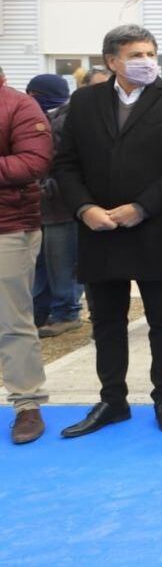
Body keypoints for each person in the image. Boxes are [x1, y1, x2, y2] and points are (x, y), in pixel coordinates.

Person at [53, 25, 162, 438]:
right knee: (107, 320)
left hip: (153, 226)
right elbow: (65, 163)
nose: (147, 62)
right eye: (137, 55)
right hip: (99, 229)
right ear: (112, 61)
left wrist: (142, 207)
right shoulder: (83, 102)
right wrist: (84, 209)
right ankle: (113, 400)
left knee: (161, 318)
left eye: (151, 53)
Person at [0, 77, 53, 444]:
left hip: (8, 228)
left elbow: (33, 162)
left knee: (12, 320)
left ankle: (27, 404)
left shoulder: (19, 105)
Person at [25, 74, 82, 337]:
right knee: (46, 262)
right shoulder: (51, 118)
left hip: (61, 205)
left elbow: (62, 162)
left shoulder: (62, 121)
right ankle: (43, 312)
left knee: (61, 262)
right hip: (48, 205)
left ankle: (66, 313)